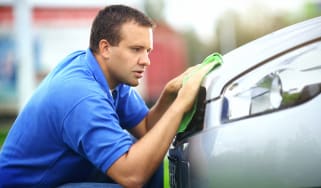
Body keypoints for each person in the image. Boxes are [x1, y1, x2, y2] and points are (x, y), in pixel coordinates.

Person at [0, 4, 215, 188]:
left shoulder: (104, 72)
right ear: (105, 48)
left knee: (151, 154)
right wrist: (180, 106)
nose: (146, 61)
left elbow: (147, 128)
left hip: (60, 178)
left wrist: (169, 94)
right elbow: (133, 176)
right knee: (140, 165)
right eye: (136, 49)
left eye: (147, 51)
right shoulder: (81, 96)